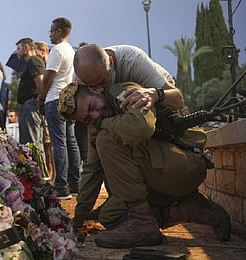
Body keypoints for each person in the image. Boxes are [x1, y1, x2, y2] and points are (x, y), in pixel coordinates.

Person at [58, 81, 231, 248]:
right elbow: (91, 173)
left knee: (105, 139)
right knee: (111, 216)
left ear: (95, 89)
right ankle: (189, 209)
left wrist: (103, 124)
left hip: (184, 167)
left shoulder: (128, 93)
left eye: (92, 107)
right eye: (88, 118)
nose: (95, 116)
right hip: (158, 179)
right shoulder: (97, 127)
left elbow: (141, 127)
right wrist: (76, 222)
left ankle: (143, 222)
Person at [69, 43, 186, 233]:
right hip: (122, 116)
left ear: (112, 63)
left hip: (158, 113)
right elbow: (93, 164)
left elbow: (178, 101)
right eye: (91, 87)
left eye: (101, 82)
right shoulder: (82, 79)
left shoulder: (133, 60)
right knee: (102, 144)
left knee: (109, 138)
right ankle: (125, 203)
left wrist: (155, 94)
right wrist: (78, 218)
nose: (98, 89)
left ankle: (159, 210)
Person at [39, 17, 80, 200]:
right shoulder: (71, 51)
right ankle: (74, 183)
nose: (50, 34)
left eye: (52, 30)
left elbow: (48, 77)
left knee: (59, 143)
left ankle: (61, 186)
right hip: (68, 100)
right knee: (71, 141)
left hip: (54, 98)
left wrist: (41, 96)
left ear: (59, 31)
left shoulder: (56, 50)